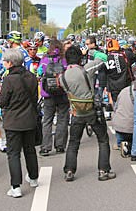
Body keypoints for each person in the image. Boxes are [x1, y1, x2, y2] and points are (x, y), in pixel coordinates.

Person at [60, 46, 115, 182]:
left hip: (76, 112)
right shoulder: (87, 69)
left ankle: (69, 171)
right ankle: (103, 171)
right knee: (102, 140)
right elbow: (103, 58)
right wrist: (91, 51)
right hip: (92, 111)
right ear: (80, 58)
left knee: (73, 142)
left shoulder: (62, 77)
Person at [0, 49, 39, 198]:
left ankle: (16, 187)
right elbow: (35, 98)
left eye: (4, 61)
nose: (3, 63)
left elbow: (2, 102)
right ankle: (33, 178)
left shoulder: (9, 79)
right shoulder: (32, 77)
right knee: (30, 150)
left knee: (13, 154)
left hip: (13, 121)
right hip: (30, 119)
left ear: (10, 63)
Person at [38, 40, 69, 156]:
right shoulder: (64, 60)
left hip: (48, 94)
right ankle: (60, 146)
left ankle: (45, 147)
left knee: (47, 120)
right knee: (62, 119)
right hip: (62, 93)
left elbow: (39, 73)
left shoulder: (45, 59)